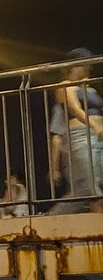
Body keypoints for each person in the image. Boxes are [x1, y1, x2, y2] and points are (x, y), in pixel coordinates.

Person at [58, 49, 103, 212]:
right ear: (74, 65)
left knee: (94, 187)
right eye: (84, 64)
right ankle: (47, 220)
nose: (87, 67)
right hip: (81, 136)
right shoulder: (66, 86)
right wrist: (95, 125)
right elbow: (75, 109)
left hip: (97, 137)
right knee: (90, 190)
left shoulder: (90, 88)